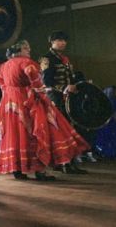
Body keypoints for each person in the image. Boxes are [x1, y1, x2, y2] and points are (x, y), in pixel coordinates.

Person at [0, 40, 89, 181]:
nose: (29, 51)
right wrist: (43, 99)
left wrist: (10, 95)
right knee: (36, 134)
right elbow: (38, 85)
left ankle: (18, 170)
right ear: (18, 51)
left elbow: (1, 84)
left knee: (15, 135)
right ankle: (40, 170)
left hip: (9, 105)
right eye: (26, 48)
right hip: (27, 103)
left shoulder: (3, 66)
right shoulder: (27, 63)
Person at [40, 31, 89, 173]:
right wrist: (64, 88)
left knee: (69, 130)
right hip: (55, 99)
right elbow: (46, 81)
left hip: (68, 98)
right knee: (61, 132)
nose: (62, 43)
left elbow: (70, 78)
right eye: (59, 40)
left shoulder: (64, 58)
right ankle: (64, 164)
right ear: (52, 42)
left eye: (64, 40)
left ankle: (69, 163)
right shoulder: (46, 58)